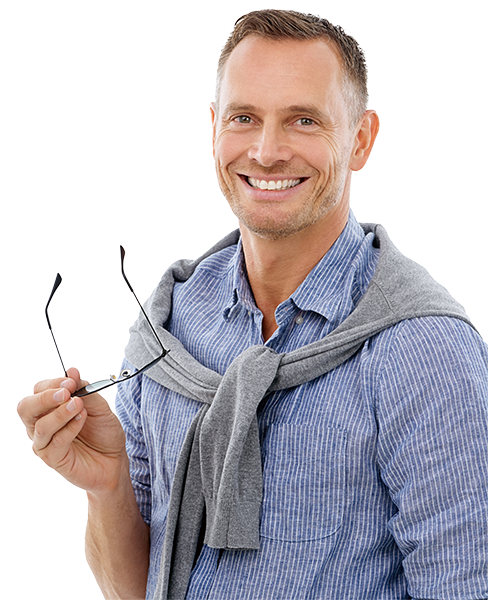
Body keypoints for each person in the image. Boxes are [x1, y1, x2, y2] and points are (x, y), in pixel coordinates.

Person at [17, 8, 488, 600]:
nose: (266, 152)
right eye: (244, 117)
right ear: (214, 127)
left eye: (303, 121)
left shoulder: (423, 350)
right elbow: (132, 590)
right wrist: (107, 488)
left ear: (361, 139)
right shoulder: (169, 326)